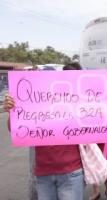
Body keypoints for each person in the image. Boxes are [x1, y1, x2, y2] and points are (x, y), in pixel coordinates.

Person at [4, 62, 85, 200]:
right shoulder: (32, 101)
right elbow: (14, 129)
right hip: (43, 174)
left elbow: (99, 121)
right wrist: (12, 111)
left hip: (71, 172)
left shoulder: (78, 100)